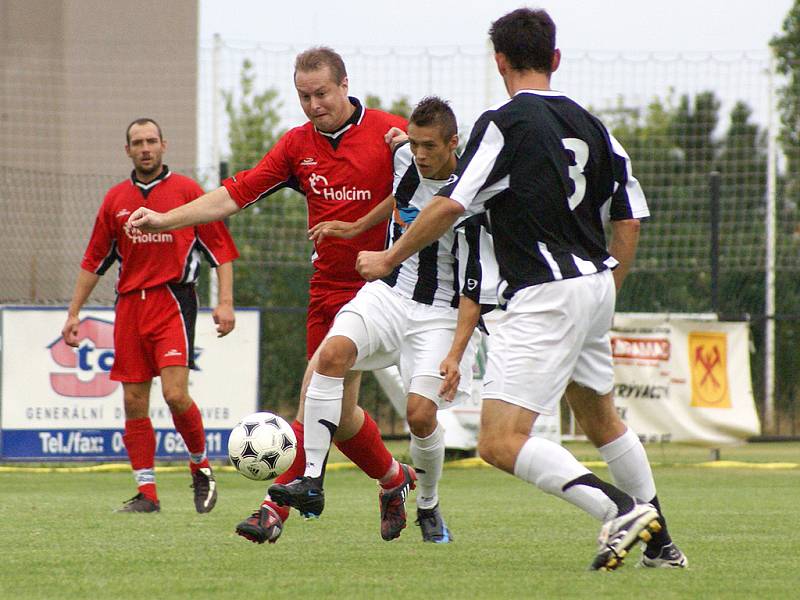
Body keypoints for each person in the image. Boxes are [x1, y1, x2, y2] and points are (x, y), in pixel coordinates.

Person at [355, 9, 686, 570]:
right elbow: (629, 219)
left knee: (499, 441)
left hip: (544, 293)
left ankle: (618, 508)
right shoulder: (595, 126)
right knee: (601, 417)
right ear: (555, 59)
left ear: (499, 61)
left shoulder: (504, 123)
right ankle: (663, 547)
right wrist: (607, 290)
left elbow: (452, 203)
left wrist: (389, 255)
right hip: (595, 286)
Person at [127, 47, 412, 544]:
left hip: (387, 288)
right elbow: (233, 195)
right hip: (328, 291)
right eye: (303, 96)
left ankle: (272, 509)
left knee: (311, 400)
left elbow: (438, 180)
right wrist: (164, 219)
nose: (313, 105)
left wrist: (410, 154)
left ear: (345, 84)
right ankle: (394, 479)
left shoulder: (390, 132)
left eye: (322, 93)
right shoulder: (297, 146)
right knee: (340, 417)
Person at [274, 96, 496, 542]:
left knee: (419, 416)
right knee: (331, 356)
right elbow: (397, 195)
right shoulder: (402, 156)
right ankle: (312, 481)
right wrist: (355, 228)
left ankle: (428, 503)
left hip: (441, 313)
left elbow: (475, 286)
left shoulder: (476, 195)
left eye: (429, 146)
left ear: (454, 142)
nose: (419, 154)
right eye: (413, 143)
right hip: (391, 295)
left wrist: (456, 353)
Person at [62, 118, 239, 514]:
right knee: (133, 401)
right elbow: (95, 260)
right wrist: (73, 313)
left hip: (172, 300)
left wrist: (225, 302)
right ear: (127, 150)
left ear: (164, 145)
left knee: (176, 394)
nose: (145, 148)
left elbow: (221, 251)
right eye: (137, 142)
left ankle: (201, 468)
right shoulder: (115, 200)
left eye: (151, 141)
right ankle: (148, 493)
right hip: (128, 305)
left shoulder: (187, 192)